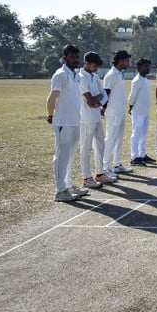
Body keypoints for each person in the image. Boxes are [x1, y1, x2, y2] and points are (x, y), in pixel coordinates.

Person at [46, 44, 87, 201]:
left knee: (70, 155)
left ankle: (68, 185)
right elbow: (52, 97)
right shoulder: (60, 74)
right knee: (61, 156)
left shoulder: (75, 75)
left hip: (75, 121)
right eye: (72, 57)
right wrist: (51, 115)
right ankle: (60, 191)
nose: (75, 60)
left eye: (77, 57)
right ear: (65, 58)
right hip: (63, 121)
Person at [79, 51, 117, 188]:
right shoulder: (81, 77)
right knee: (86, 148)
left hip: (96, 116)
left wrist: (98, 101)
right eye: (94, 66)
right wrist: (96, 99)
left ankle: (100, 174)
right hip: (86, 118)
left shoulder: (94, 77)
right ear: (87, 63)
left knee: (100, 145)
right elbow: (89, 100)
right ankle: (86, 177)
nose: (96, 69)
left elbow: (104, 95)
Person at [103, 50, 133, 175]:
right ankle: (106, 167)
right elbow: (106, 93)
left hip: (120, 112)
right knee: (110, 138)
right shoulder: (111, 75)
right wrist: (103, 108)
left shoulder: (120, 74)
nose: (128, 63)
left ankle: (117, 164)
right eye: (126, 60)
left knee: (119, 139)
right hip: (113, 112)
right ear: (120, 61)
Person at [128, 58, 154, 166]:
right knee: (136, 133)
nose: (147, 68)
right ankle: (134, 157)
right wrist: (130, 107)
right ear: (139, 67)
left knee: (143, 134)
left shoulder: (145, 79)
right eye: (145, 66)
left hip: (145, 112)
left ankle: (142, 154)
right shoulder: (137, 80)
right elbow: (132, 96)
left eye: (148, 66)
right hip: (138, 112)